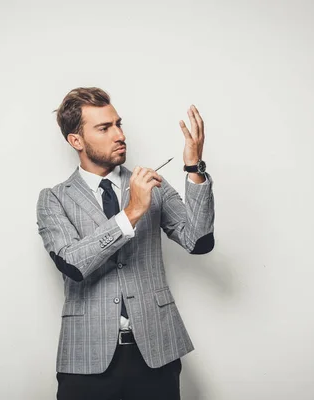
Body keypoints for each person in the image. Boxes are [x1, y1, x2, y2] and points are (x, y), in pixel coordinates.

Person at [36, 87, 215, 400]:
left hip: (156, 352)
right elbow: (73, 264)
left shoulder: (152, 185)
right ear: (76, 140)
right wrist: (132, 212)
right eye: (104, 128)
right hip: (85, 357)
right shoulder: (54, 199)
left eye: (118, 124)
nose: (119, 134)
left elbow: (199, 242)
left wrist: (193, 167)